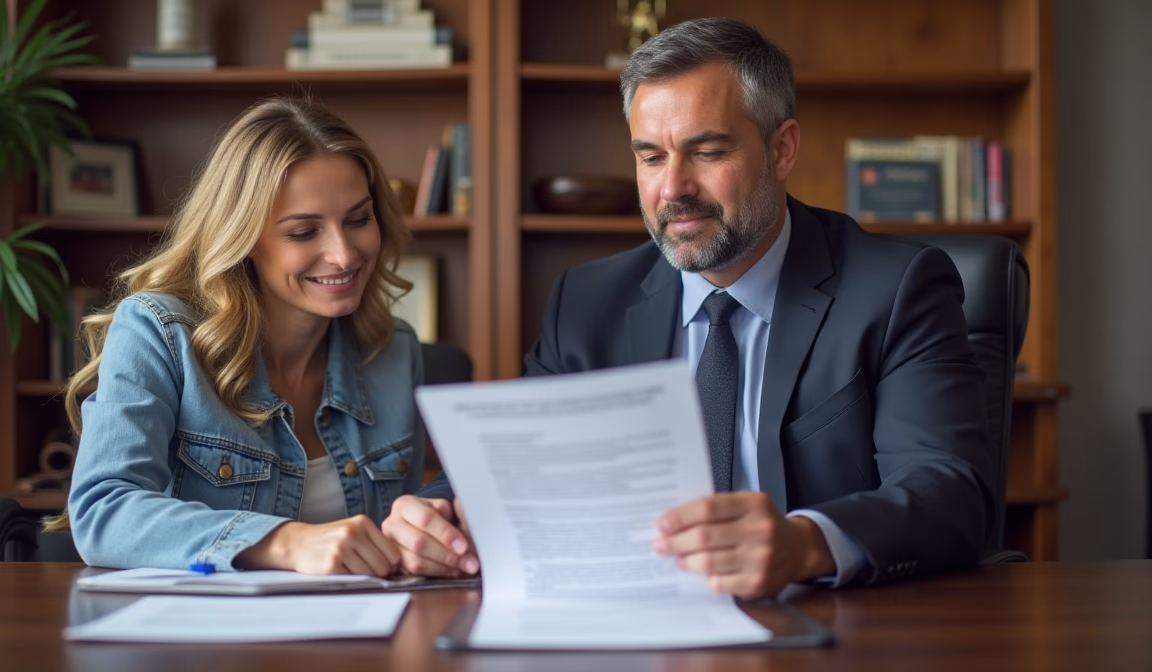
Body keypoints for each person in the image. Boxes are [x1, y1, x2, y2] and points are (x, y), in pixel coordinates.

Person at [383, 17, 995, 598]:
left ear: (782, 149)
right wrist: (435, 512)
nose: (672, 189)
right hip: (632, 625)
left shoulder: (895, 288)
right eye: (651, 157)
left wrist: (805, 543)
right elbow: (515, 468)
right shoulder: (588, 303)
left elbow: (948, 490)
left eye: (707, 152)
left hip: (823, 624)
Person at [53, 96, 424, 575]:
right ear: (243, 239)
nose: (344, 255)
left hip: (358, 634)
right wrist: (285, 543)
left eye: (358, 220)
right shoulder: (158, 332)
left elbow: (402, 535)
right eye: (303, 232)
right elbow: (103, 513)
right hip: (198, 638)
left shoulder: (394, 350)